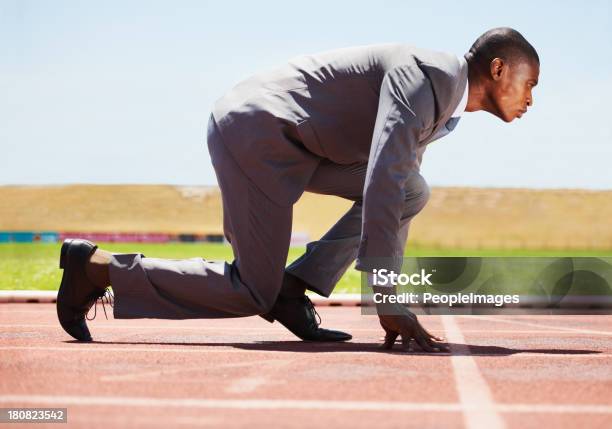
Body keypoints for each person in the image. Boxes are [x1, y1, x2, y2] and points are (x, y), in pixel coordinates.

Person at [56, 27, 539, 351]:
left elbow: (393, 184)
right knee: (251, 290)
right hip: (258, 132)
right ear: (498, 69)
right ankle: (95, 270)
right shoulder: (426, 78)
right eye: (530, 83)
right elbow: (382, 181)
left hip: (307, 146)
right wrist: (388, 298)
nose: (531, 99)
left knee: (413, 189)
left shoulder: (442, 100)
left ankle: (291, 287)